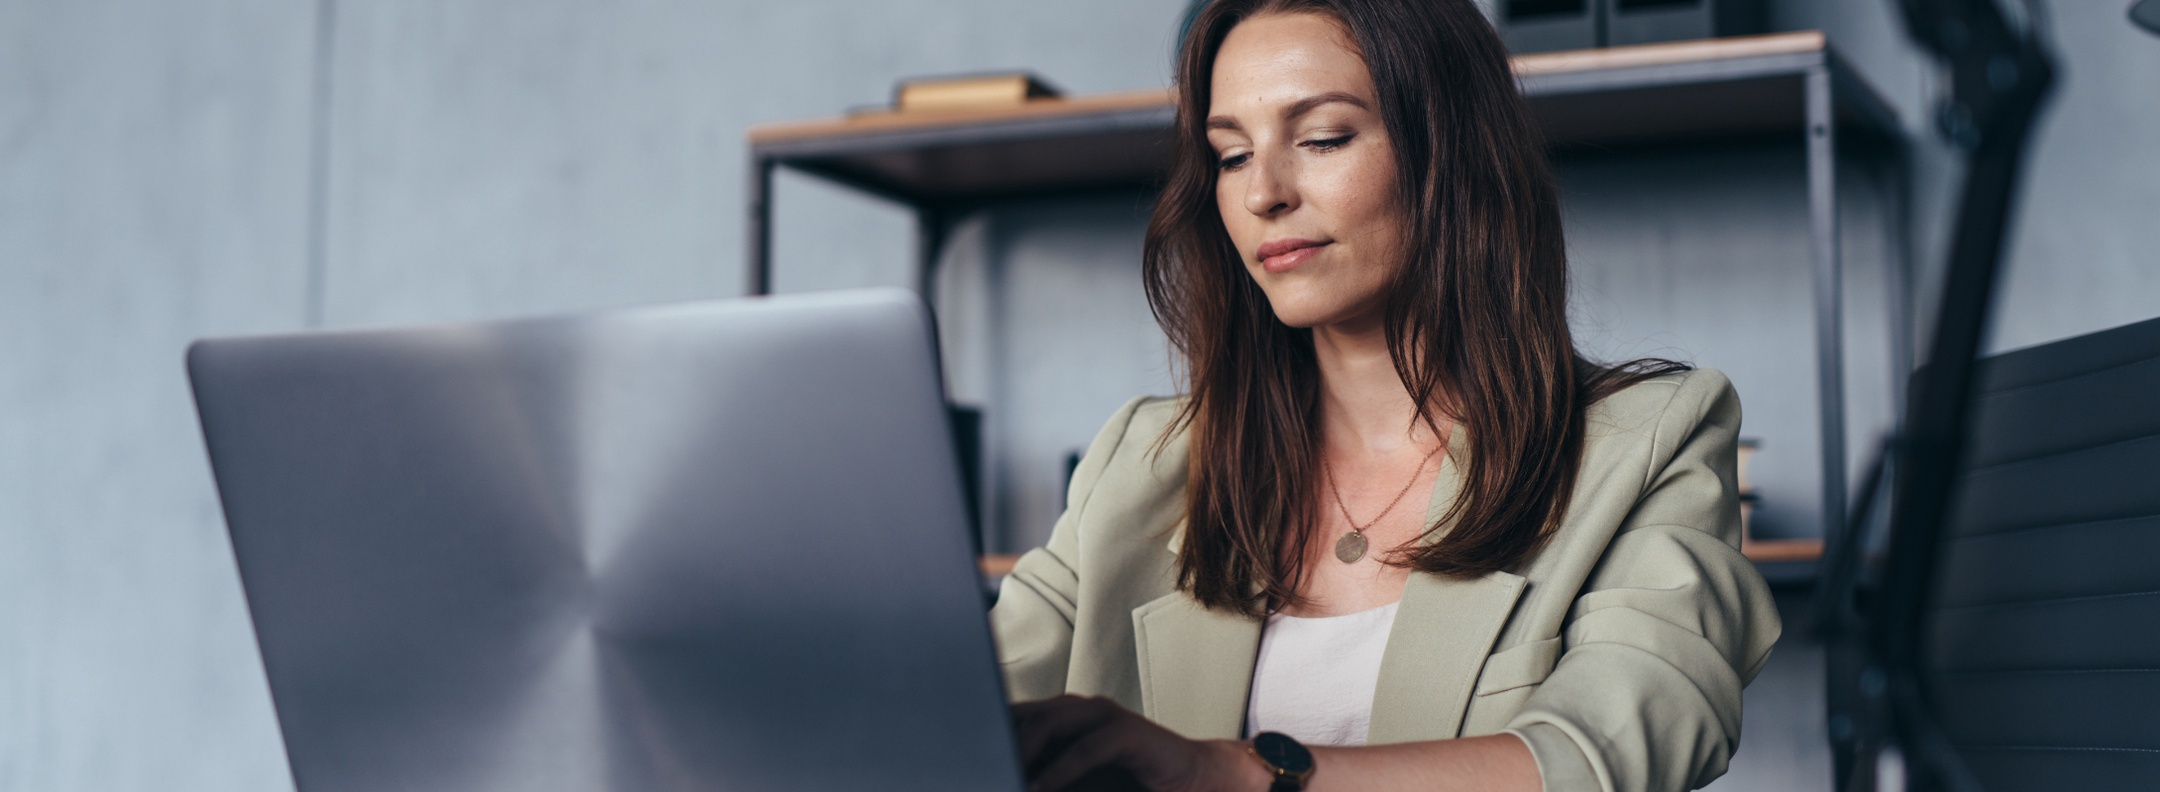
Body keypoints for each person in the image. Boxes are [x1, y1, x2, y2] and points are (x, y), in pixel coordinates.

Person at [989, 0, 1781, 790]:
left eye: (1323, 138)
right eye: (1231, 155)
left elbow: (1600, 759)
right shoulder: (1142, 460)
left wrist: (1231, 774)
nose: (1264, 192)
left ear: (1452, 150)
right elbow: (949, 707)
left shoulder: (1652, 441)